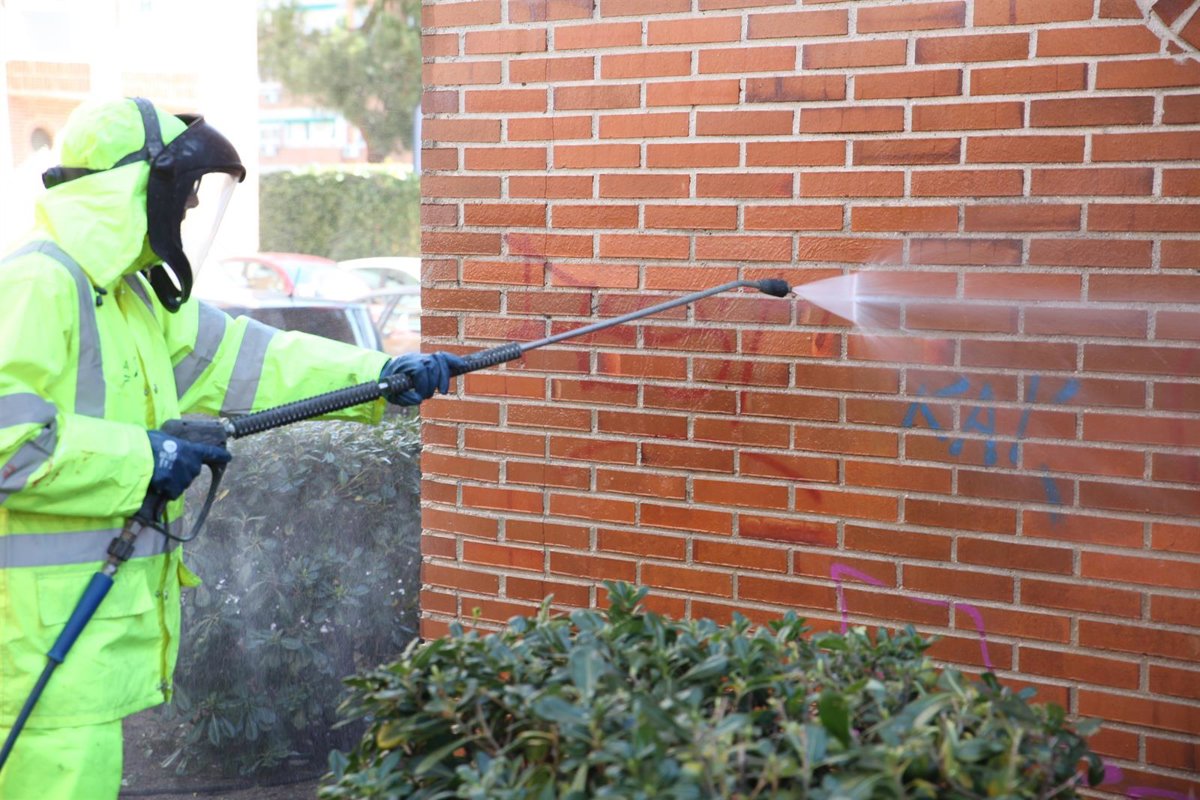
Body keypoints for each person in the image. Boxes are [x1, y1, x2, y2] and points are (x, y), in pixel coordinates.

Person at [0, 97, 464, 798]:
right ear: (137, 187)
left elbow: (253, 360)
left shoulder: (132, 300)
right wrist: (149, 458)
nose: (189, 209)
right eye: (183, 193)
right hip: (36, 653)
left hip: (77, 646)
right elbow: (11, 445)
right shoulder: (40, 283)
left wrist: (379, 375)